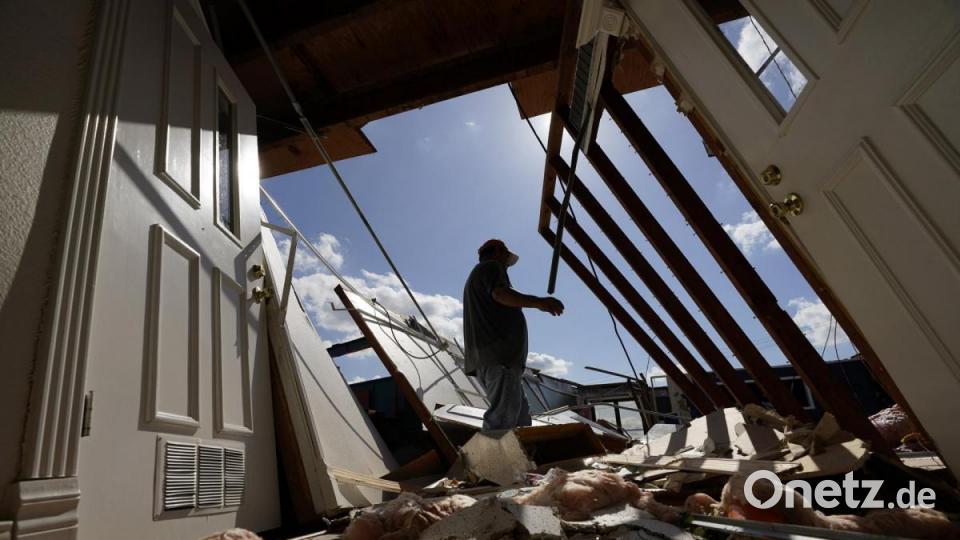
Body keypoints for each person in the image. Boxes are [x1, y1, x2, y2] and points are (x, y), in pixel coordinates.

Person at [462, 239, 564, 430]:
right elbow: (501, 294)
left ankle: (522, 457)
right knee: (501, 422)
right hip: (500, 359)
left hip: (496, 361)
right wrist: (540, 303)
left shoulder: (478, 276)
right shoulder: (491, 267)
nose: (507, 266)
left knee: (520, 420)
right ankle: (493, 459)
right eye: (507, 259)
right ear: (498, 252)